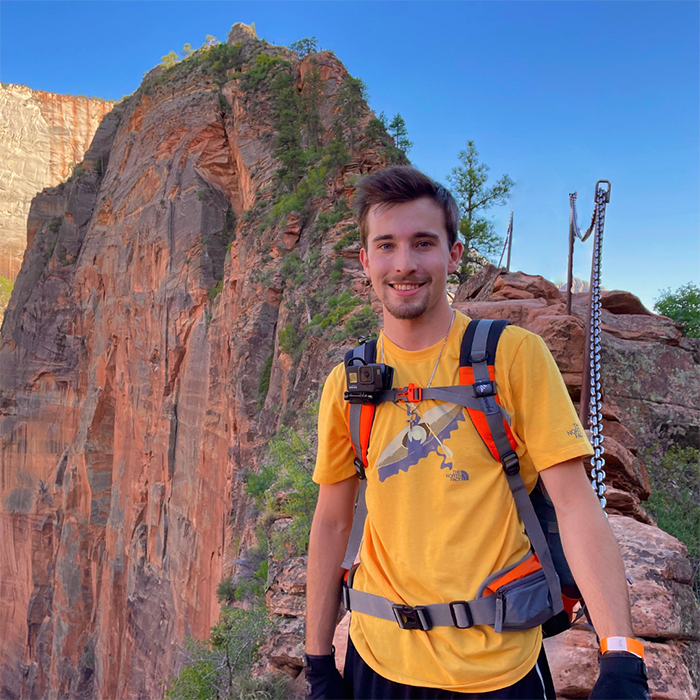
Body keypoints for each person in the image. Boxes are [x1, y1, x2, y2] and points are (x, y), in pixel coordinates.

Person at [304, 166, 650, 700]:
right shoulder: (347, 384)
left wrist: (621, 654)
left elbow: (577, 504)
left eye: (424, 243)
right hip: (377, 661)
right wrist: (318, 658)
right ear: (366, 260)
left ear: (454, 254)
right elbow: (330, 522)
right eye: (387, 245)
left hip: (498, 668)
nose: (405, 264)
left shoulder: (513, 356)